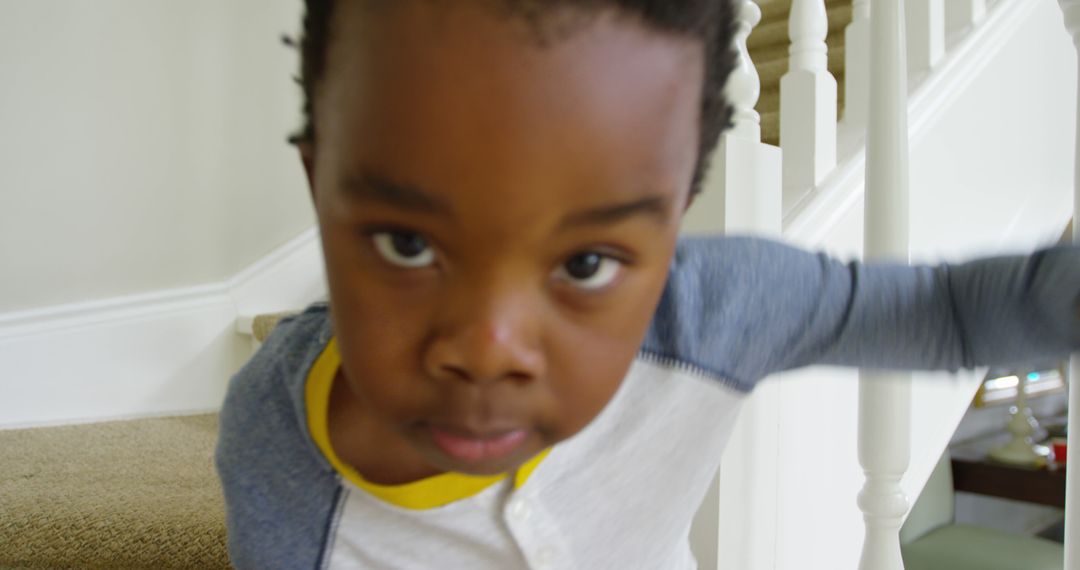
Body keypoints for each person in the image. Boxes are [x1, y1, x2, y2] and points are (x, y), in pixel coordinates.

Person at [214, 0, 1080, 567]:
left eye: (585, 265)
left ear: (674, 218)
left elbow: (945, 310)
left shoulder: (717, 312)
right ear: (319, 183)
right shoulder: (275, 445)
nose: (486, 350)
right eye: (407, 243)